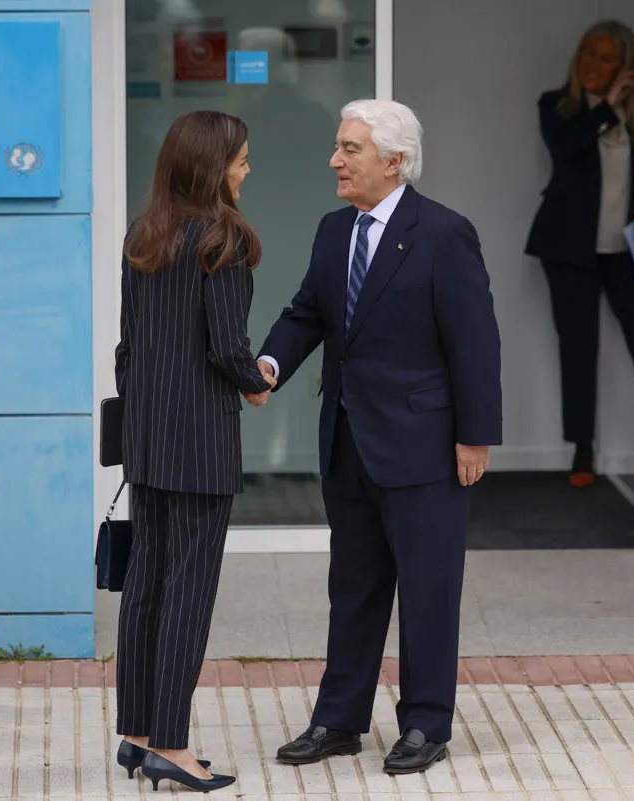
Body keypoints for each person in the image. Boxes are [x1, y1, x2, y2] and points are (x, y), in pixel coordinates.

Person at [255, 99, 502, 775]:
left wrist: (475, 435)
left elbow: (474, 341)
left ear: (394, 161)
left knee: (426, 591)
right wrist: (270, 365)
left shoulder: (444, 233)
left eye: (349, 149)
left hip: (424, 446)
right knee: (354, 587)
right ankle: (338, 719)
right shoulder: (335, 231)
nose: (335, 160)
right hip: (348, 441)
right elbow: (305, 312)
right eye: (338, 147)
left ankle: (425, 723)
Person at [111, 110, 274, 793]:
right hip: (202, 445)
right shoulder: (224, 240)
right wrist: (257, 382)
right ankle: (173, 746)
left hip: (146, 441)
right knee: (188, 593)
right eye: (239, 159)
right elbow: (228, 348)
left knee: (145, 585)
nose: (246, 169)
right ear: (211, 166)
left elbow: (128, 351)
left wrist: (146, 417)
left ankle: (139, 733)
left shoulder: (143, 235)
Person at [524, 20, 634, 488]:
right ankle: (583, 451)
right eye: (588, 55)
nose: (593, 65)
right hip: (569, 249)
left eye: (606, 59)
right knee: (578, 350)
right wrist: (608, 108)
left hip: (628, 254)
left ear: (625, 67)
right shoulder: (558, 107)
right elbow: (566, 151)